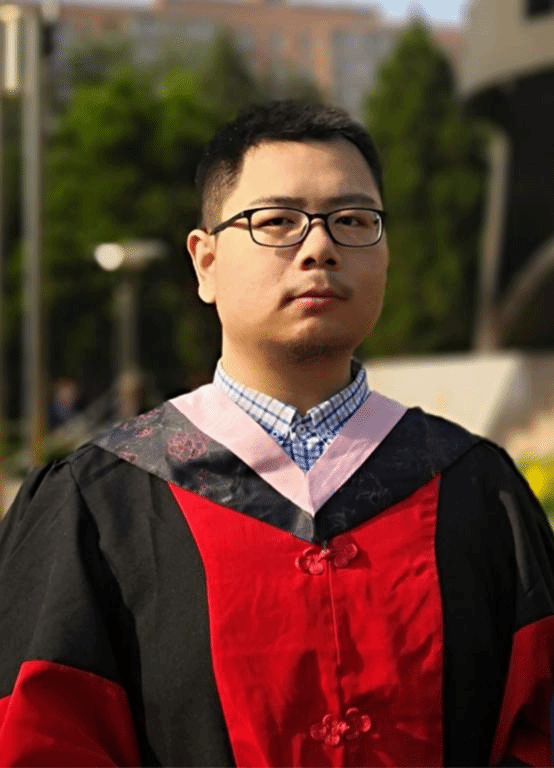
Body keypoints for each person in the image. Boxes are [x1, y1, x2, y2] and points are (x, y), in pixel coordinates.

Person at [0, 100, 553, 767]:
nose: (319, 248)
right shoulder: (99, 502)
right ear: (205, 263)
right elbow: (40, 739)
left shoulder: (477, 490)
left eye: (354, 221)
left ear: (385, 256)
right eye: (277, 221)